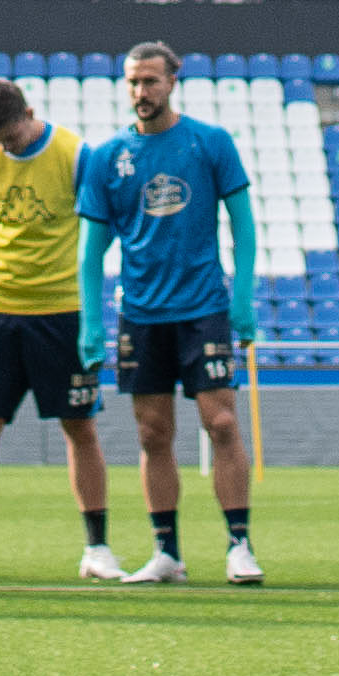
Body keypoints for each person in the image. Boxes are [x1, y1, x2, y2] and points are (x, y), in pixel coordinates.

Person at [78, 42, 261, 589]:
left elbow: (244, 226)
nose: (141, 92)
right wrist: (91, 322)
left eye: (151, 81)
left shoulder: (210, 143)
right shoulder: (108, 157)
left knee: (222, 423)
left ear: (173, 81)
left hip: (203, 307)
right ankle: (167, 552)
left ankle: (239, 544)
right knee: (153, 434)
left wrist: (243, 297)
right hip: (140, 313)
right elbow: (91, 253)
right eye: (133, 82)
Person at [0, 77, 116, 580]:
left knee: (80, 426)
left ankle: (97, 549)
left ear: (29, 113)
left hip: (61, 310)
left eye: (10, 135)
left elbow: (100, 228)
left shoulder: (77, 156)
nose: (5, 146)